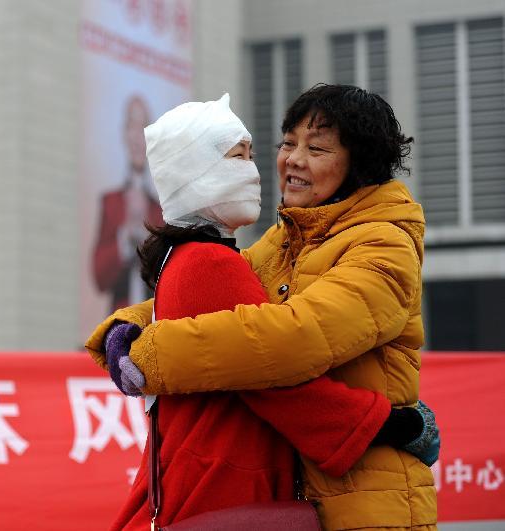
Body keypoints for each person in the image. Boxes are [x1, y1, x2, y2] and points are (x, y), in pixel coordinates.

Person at [88, 85, 438, 530]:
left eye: (316, 148)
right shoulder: (284, 239)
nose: (292, 159)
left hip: (364, 495)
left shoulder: (383, 244)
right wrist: (127, 327)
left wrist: (147, 352)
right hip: (307, 487)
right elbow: (211, 295)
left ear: (360, 164)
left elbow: (294, 337)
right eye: (288, 143)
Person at [93, 95, 164, 312]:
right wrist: (125, 238)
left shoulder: (161, 210)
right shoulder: (111, 202)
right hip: (119, 321)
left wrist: (146, 237)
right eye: (131, 126)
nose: (137, 137)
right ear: (124, 133)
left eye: (143, 127)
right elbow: (99, 277)